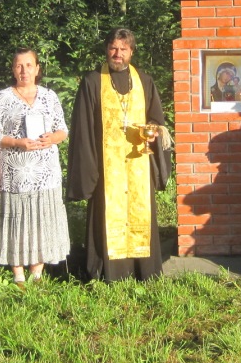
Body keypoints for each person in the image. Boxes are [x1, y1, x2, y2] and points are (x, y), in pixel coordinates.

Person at [67, 28, 170, 282]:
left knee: (140, 212)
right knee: (105, 214)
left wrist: (153, 132)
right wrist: (90, 167)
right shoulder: (93, 82)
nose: (118, 53)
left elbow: (156, 119)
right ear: (106, 49)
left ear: (131, 52)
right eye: (113, 48)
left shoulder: (144, 81)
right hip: (106, 165)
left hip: (138, 163)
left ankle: (143, 270)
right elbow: (83, 128)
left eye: (123, 49)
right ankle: (106, 271)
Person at [0, 49, 71, 286]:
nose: (24, 70)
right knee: (16, 220)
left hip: (45, 173)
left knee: (42, 220)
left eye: (28, 65)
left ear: (37, 68)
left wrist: (52, 138)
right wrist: (16, 142)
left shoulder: (49, 96)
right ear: (13, 69)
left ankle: (37, 273)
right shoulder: (2, 98)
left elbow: (63, 129)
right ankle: (18, 275)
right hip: (14, 172)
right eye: (19, 65)